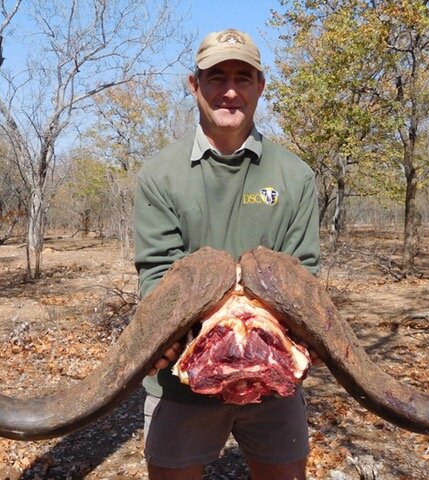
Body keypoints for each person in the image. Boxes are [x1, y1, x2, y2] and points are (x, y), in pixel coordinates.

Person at [133, 28, 320, 480]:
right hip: (182, 378)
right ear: (194, 85)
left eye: (243, 77)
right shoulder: (160, 174)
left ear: (260, 86)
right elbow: (156, 273)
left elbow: (304, 274)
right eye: (216, 77)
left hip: (274, 376)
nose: (230, 91)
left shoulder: (295, 175)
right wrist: (173, 341)